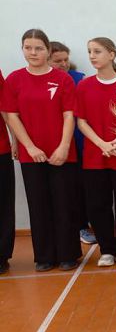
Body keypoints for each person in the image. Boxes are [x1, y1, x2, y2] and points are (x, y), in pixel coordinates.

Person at [2, 29, 81, 272]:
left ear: (48, 50)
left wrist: (64, 146)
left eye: (38, 48)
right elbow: (11, 116)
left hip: (61, 152)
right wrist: (29, 146)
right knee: (38, 204)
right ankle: (44, 256)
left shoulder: (62, 79)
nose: (33, 52)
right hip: (31, 154)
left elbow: (69, 115)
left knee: (63, 203)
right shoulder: (15, 79)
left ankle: (68, 254)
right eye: (28, 48)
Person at [75, 37, 116, 267]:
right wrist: (102, 144)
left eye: (97, 51)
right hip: (95, 156)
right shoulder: (84, 86)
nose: (92, 56)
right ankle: (107, 250)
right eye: (89, 51)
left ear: (112, 54)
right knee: (97, 205)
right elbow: (81, 121)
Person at [51, 41, 95, 245]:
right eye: (58, 61)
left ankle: (82, 226)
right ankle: (66, 229)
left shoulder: (79, 79)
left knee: (81, 188)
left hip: (79, 142)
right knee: (62, 190)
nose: (63, 64)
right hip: (55, 143)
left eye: (66, 59)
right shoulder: (44, 81)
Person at [0, 69, 14, 275]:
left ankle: (1, 255)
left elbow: (6, 108)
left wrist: (15, 139)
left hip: (0, 148)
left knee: (2, 203)